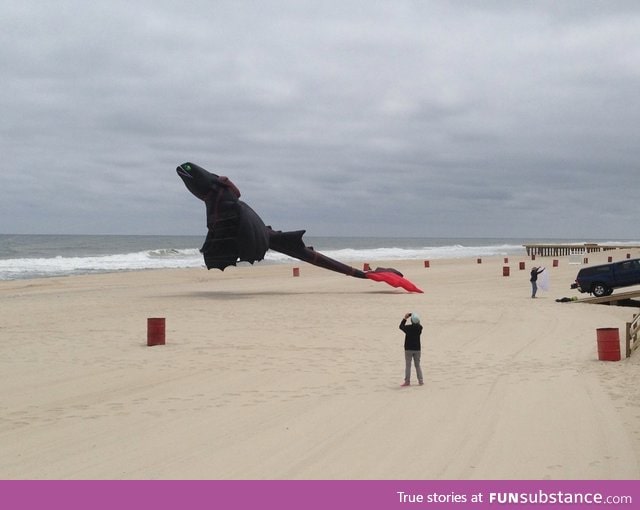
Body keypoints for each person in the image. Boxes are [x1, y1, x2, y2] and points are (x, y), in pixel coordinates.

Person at [399, 312, 423, 386]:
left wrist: (405, 318)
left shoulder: (408, 328)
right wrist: (414, 316)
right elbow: (419, 324)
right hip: (417, 349)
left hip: (408, 349)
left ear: (411, 321)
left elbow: (401, 326)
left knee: (408, 365)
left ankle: (407, 381)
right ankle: (420, 381)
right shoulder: (420, 328)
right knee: (417, 365)